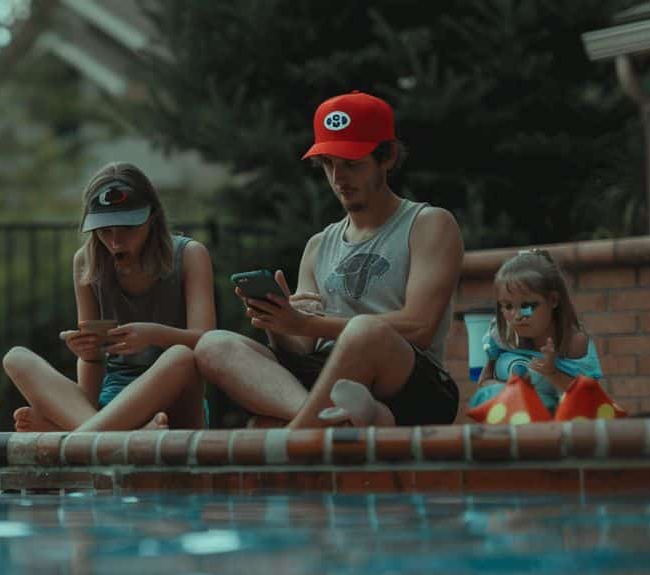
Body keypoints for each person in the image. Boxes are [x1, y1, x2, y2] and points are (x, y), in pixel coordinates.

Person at [195, 91, 463, 428]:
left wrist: (307, 324)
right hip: (328, 378)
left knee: (366, 331)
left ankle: (297, 434)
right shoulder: (319, 245)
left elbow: (420, 328)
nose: (338, 178)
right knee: (213, 345)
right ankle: (339, 417)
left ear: (388, 157)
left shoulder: (429, 223)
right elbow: (303, 348)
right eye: (329, 165)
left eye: (351, 164)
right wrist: (279, 323)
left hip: (412, 384)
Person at [2, 162, 215, 431]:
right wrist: (88, 354)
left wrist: (154, 334)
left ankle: (76, 434)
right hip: (110, 403)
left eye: (127, 229)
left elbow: (209, 343)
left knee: (180, 357)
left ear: (153, 217)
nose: (115, 242)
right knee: (16, 358)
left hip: (174, 397)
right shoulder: (85, 262)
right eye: (105, 230)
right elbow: (92, 374)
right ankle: (116, 434)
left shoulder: (189, 255)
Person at [469, 249, 600, 411]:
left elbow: (588, 400)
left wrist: (552, 373)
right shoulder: (501, 337)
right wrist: (509, 390)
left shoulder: (574, 343)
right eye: (508, 306)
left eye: (527, 306)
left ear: (553, 300)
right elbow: (484, 383)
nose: (517, 316)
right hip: (506, 423)